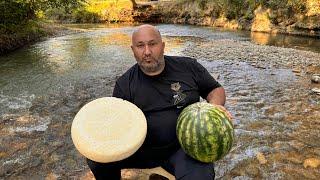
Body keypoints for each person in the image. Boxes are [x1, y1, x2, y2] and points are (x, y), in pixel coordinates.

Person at [87, 24, 232, 180]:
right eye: (140, 46)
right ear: (133, 50)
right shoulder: (124, 84)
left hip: (182, 149)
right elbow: (117, 125)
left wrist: (214, 108)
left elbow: (214, 89)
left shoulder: (188, 67)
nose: (147, 52)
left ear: (162, 46)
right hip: (140, 151)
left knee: (201, 175)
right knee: (97, 159)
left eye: (152, 44)